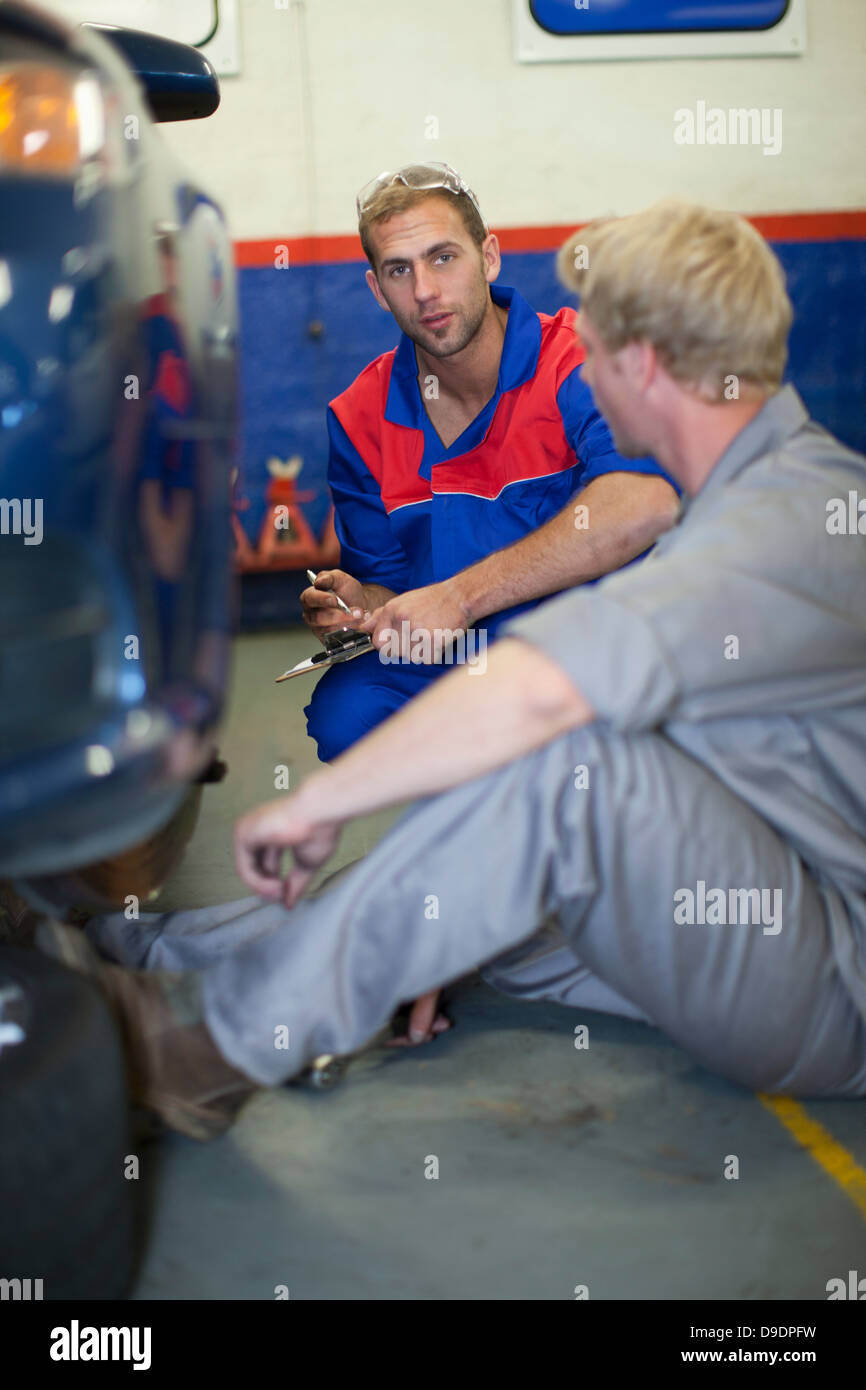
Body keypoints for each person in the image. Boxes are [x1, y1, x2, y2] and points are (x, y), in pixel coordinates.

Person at [34, 200, 866, 1142]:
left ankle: (211, 1053)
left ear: (639, 366)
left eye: (592, 350)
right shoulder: (786, 485)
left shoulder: (778, 530)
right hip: (769, 897)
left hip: (837, 980)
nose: (579, 368)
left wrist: (319, 804)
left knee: (562, 770)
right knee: (478, 914)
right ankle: (139, 952)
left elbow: (548, 690)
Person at [301, 163, 678, 762]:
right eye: (400, 270)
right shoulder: (359, 415)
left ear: (489, 257)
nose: (425, 290)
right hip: (456, 658)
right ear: (377, 289)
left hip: (584, 643)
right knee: (346, 713)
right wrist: (361, 606)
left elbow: (646, 499)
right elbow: (388, 583)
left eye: (443, 257)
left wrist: (461, 597)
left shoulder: (578, 362)